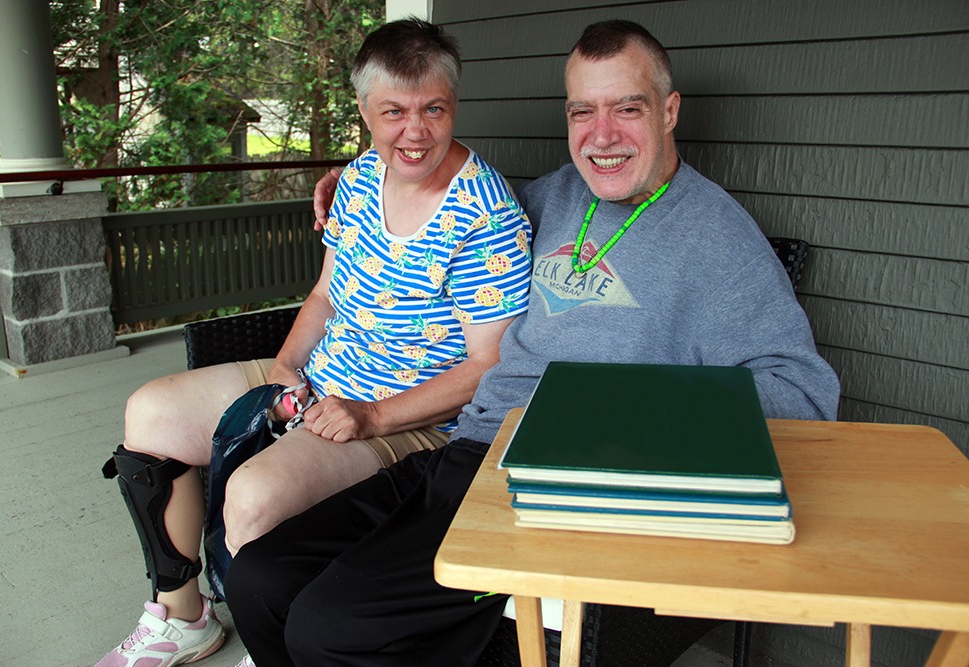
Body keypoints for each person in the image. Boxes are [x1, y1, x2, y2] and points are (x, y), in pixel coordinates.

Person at [225, 19, 841, 667]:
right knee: (260, 579)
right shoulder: (552, 197)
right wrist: (362, 178)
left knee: (329, 624)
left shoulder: (718, 237)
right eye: (583, 111)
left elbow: (802, 395)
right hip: (465, 451)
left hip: (556, 490)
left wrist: (619, 417)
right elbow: (452, 207)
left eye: (626, 108)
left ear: (668, 111)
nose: (601, 135)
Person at [95, 18, 532, 667]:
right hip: (323, 378)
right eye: (394, 112)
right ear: (364, 111)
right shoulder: (356, 180)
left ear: (453, 103)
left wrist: (371, 415)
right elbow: (326, 294)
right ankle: (184, 615)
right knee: (149, 412)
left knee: (253, 493)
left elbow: (487, 365)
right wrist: (282, 367)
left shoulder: (484, 212)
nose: (415, 131)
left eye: (433, 109)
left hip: (409, 417)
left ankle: (267, 637)